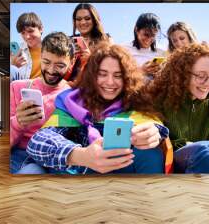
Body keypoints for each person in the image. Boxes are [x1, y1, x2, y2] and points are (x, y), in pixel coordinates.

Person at [21, 43, 169, 174]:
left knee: (151, 154)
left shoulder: (136, 101)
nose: (110, 82)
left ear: (127, 79)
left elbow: (154, 126)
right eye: (102, 74)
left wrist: (153, 133)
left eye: (118, 75)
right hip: (74, 175)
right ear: (91, 76)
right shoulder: (72, 101)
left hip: (118, 178)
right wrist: (81, 155)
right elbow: (38, 141)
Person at [147, 43, 209, 174]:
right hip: (172, 162)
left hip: (204, 164)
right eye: (201, 76)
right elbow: (156, 142)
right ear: (183, 74)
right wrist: (184, 145)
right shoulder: (160, 100)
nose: (208, 83)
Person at [10, 32, 74, 173]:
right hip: (19, 155)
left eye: (59, 65)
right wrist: (17, 123)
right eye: (46, 62)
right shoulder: (17, 88)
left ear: (71, 63)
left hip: (53, 159)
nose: (51, 70)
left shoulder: (72, 96)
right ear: (40, 58)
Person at [64, 3, 111, 82]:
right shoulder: (67, 40)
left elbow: (112, 65)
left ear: (94, 19)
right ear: (74, 21)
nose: (82, 22)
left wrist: (91, 58)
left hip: (95, 84)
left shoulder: (106, 39)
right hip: (70, 86)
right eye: (78, 19)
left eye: (87, 18)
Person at [123, 13, 165, 79]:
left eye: (153, 35)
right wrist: (141, 71)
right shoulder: (124, 50)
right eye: (146, 34)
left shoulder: (161, 51)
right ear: (136, 30)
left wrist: (160, 72)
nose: (149, 39)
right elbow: (119, 76)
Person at [10, 12, 43, 81]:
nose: (27, 37)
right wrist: (13, 66)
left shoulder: (51, 48)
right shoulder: (16, 51)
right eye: (23, 33)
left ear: (41, 29)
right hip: (24, 89)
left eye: (31, 31)